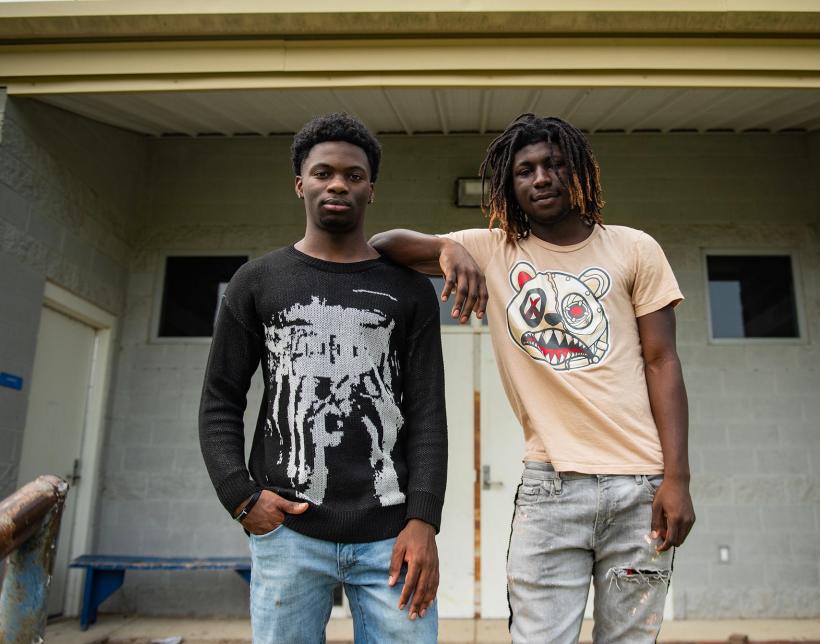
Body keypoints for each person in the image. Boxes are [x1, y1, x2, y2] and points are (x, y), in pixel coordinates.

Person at [371, 113, 695, 643]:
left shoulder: (635, 248)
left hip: (640, 485)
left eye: (554, 164)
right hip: (550, 487)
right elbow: (384, 243)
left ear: (579, 173)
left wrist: (677, 478)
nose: (541, 178)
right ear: (509, 184)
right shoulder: (495, 249)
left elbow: (663, 362)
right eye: (525, 170)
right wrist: (448, 248)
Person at [199, 112, 447, 644]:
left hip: (392, 537)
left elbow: (427, 414)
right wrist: (241, 497)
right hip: (288, 530)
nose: (338, 184)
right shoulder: (257, 281)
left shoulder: (407, 290)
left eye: (353, 175)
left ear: (370, 190)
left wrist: (423, 519)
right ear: (300, 183)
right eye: (323, 172)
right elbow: (220, 398)